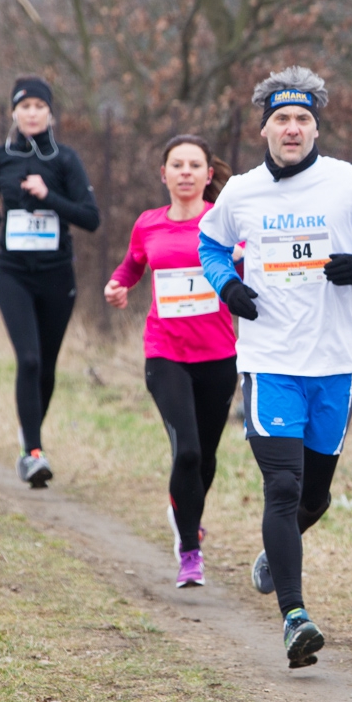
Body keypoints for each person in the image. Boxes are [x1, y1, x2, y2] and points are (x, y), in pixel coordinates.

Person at [198, 65, 352, 668]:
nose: (292, 129)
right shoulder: (240, 191)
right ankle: (295, 616)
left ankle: (275, 555)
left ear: (315, 129)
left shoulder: (350, 184)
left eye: (302, 120)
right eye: (281, 119)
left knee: (313, 496)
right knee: (283, 485)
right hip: (270, 361)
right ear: (263, 128)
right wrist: (226, 286)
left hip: (337, 361)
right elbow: (210, 245)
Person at [104, 135, 237, 588]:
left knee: (207, 459)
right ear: (163, 174)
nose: (184, 172)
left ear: (207, 174)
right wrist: (117, 286)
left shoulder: (224, 225)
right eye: (176, 165)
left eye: (193, 165)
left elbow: (253, 272)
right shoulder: (148, 224)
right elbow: (132, 267)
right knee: (188, 452)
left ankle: (188, 514)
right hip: (165, 354)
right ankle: (190, 549)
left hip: (219, 355)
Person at [0, 76, 100, 488]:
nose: (31, 112)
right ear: (14, 112)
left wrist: (48, 195)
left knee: (46, 366)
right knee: (28, 359)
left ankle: (29, 437)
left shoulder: (65, 160)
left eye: (38, 106)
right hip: (12, 273)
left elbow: (91, 218)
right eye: (24, 106)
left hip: (56, 276)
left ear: (50, 112)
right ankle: (33, 451)